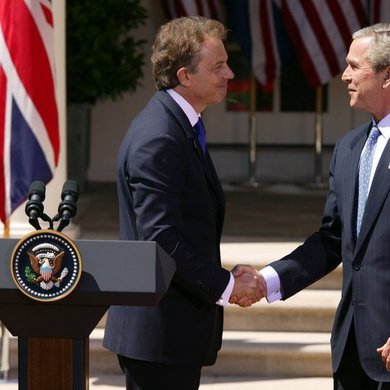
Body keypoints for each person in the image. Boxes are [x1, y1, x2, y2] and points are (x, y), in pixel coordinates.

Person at [232, 23, 390, 389]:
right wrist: (268, 280)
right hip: (352, 349)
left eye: (354, 65)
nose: (344, 75)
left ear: (387, 75)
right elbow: (333, 239)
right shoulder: (349, 147)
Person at [103, 16, 264, 390]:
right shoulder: (160, 136)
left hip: (171, 334)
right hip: (159, 334)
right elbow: (161, 236)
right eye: (218, 66)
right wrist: (225, 285)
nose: (229, 73)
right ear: (185, 76)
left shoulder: (177, 125)